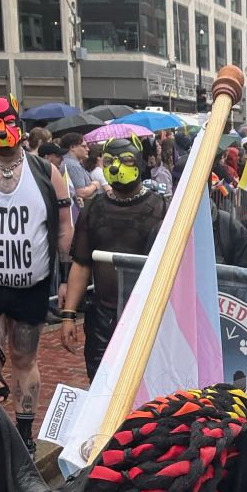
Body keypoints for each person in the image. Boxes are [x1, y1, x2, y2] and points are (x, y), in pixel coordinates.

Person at [0, 94, 73, 453]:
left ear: (20, 127)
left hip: (31, 288)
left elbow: (64, 228)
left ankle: (24, 436)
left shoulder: (46, 172)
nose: (2, 131)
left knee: (25, 360)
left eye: (8, 122)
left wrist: (68, 277)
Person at [61, 136, 167, 378]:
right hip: (102, 317)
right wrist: (68, 316)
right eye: (108, 161)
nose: (116, 167)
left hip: (146, 317)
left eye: (126, 160)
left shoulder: (161, 209)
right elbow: (81, 263)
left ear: (139, 163)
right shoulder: (94, 208)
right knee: (100, 384)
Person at [60, 133, 100, 203]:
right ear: (72, 147)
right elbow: (81, 193)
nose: (87, 149)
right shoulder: (72, 165)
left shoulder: (71, 162)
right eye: (84, 146)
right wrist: (95, 185)